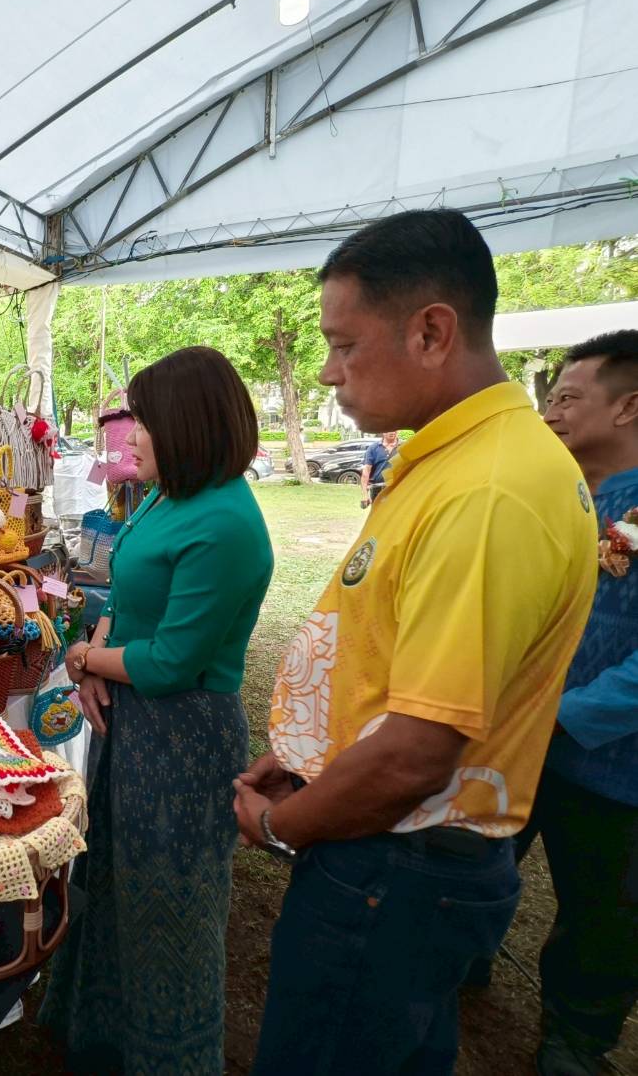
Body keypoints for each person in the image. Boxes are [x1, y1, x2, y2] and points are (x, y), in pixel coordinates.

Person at [234, 210, 596, 1075]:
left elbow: (415, 753)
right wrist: (316, 759)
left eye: (341, 344)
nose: (327, 373)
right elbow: (396, 666)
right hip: (397, 858)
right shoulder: (462, 462)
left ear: (431, 330)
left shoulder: (489, 491)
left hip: (392, 867)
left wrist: (285, 824)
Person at [38, 347, 273, 1074]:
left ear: (187, 424)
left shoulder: (224, 522)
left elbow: (172, 662)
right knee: (112, 879)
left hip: (180, 736)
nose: (127, 435)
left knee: (169, 906)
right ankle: (102, 1030)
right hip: (130, 720)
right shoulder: (168, 493)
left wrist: (81, 661)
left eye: (141, 420)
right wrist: (96, 653)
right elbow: (126, 599)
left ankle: (167, 1056)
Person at [509, 329, 637, 1075]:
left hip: (612, 765)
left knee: (605, 914)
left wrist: (557, 714)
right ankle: (462, 959)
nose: (549, 412)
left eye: (566, 398)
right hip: (522, 739)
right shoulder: (561, 499)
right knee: (482, 852)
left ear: (627, 408)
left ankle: (577, 1035)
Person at [360, 429, 399, 507]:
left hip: (399, 489)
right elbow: (366, 471)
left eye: (395, 429)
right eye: (389, 429)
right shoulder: (373, 448)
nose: (392, 431)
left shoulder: (405, 446)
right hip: (377, 490)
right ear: (383, 431)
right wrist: (365, 495)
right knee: (378, 516)